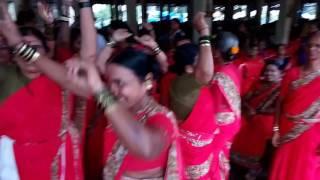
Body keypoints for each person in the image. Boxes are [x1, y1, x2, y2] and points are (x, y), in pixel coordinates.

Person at [0, 0, 96, 179]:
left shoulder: (59, 74)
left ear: (46, 51)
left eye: (34, 48)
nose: (26, 55)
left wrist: (84, 4)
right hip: (13, 167)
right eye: (20, 50)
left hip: (57, 166)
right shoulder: (5, 76)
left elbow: (88, 58)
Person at [270, 32, 320, 180]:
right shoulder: (292, 73)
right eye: (310, 45)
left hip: (313, 135)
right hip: (286, 132)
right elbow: (280, 103)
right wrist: (276, 129)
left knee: (307, 171)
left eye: (318, 46)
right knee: (283, 169)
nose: (312, 49)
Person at [231, 61, 286, 179]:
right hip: (250, 114)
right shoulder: (258, 84)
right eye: (267, 71)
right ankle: (238, 161)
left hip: (270, 118)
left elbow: (281, 109)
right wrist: (249, 109)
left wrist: (258, 113)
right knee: (239, 123)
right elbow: (245, 99)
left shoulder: (282, 89)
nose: (269, 73)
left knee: (262, 127)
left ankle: (256, 166)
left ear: (280, 73)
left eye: (273, 71)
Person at [210, 31, 242, 180]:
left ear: (217, 51)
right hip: (234, 121)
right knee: (224, 154)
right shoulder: (234, 68)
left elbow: (214, 107)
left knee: (216, 157)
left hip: (221, 125)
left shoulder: (219, 76)